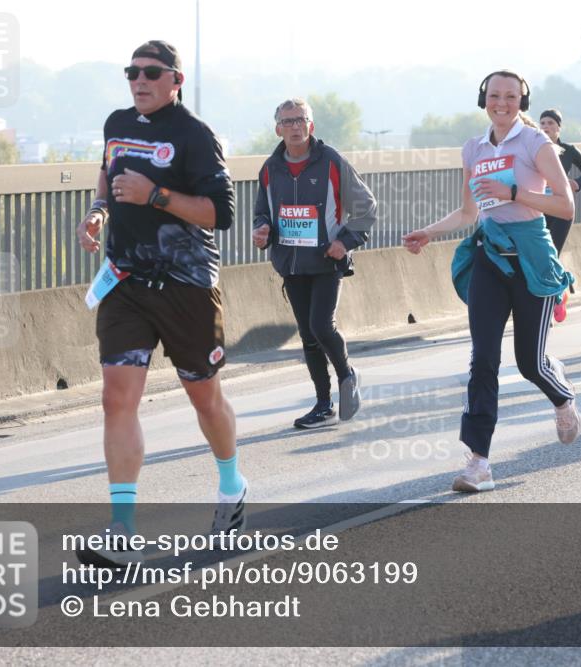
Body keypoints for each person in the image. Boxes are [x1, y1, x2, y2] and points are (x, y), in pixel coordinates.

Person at [75, 41, 245, 567]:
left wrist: (156, 196)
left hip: (186, 284)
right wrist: (100, 210)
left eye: (151, 72)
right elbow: (108, 170)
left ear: (176, 80)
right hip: (126, 280)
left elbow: (221, 214)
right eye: (132, 72)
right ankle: (122, 530)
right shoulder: (116, 122)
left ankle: (231, 484)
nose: (139, 80)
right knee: (115, 398)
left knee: (204, 399)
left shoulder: (195, 135)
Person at [402, 70, 579, 493]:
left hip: (531, 261)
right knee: (483, 360)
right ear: (484, 99)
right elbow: (468, 213)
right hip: (488, 259)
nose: (502, 103)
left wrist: (514, 194)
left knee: (530, 363)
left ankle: (562, 397)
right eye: (495, 95)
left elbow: (565, 205)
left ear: (523, 101)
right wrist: (429, 231)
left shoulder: (536, 144)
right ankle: (478, 462)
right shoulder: (473, 148)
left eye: (511, 97)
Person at [252, 99, 378, 428]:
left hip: (326, 260)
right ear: (277, 128)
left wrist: (345, 242)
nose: (294, 127)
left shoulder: (331, 162)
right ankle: (323, 404)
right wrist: (261, 230)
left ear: (312, 126)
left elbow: (366, 207)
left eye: (300, 120)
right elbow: (261, 212)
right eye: (287, 121)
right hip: (290, 264)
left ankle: (347, 376)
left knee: (322, 326)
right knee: (308, 335)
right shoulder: (270, 168)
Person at [537, 108, 581, 322]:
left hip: (562, 209)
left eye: (550, 123)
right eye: (542, 123)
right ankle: (558, 294)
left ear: (559, 127)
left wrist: (578, 183)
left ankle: (552, 303)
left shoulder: (568, 151)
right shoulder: (536, 150)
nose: (546, 127)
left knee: (551, 255)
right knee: (539, 256)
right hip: (539, 208)